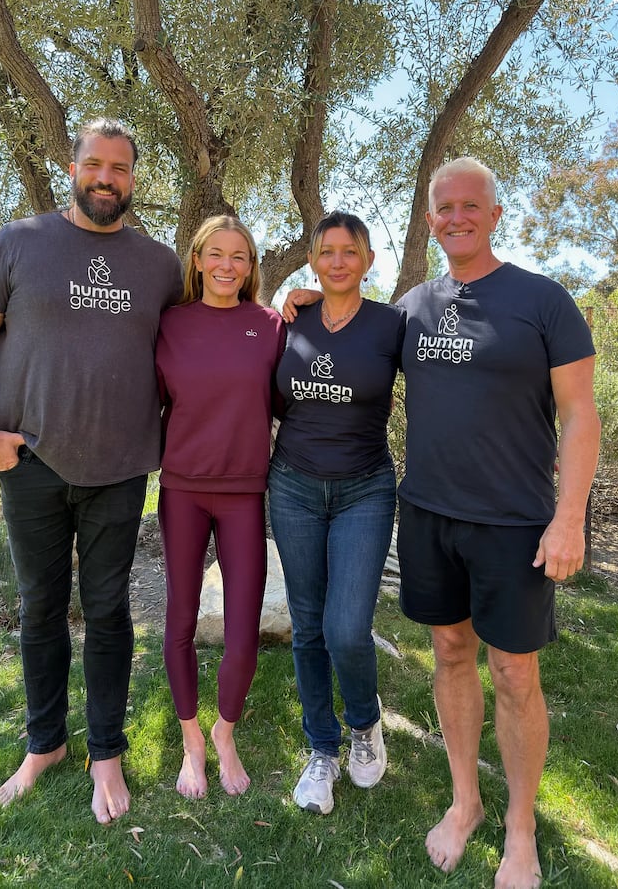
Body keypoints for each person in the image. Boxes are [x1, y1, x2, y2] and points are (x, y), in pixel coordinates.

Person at [0, 117, 182, 824]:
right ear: (73, 167)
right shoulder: (19, 243)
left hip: (121, 469)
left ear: (134, 179)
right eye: (93, 164)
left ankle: (106, 751)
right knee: (41, 609)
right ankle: (45, 743)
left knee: (110, 613)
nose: (105, 178)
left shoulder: (162, 265)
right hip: (32, 464)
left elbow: (203, 336)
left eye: (119, 167)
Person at [395, 158, 600, 889]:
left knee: (514, 673)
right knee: (450, 652)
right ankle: (465, 801)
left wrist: (569, 516)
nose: (457, 217)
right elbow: (346, 342)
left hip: (514, 524)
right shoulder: (415, 305)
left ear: (495, 213)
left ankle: (520, 829)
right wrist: (294, 303)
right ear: (429, 221)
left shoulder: (543, 302)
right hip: (426, 515)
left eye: (470, 205)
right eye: (443, 208)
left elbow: (580, 415)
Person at [269, 211, 405, 816]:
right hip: (293, 486)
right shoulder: (291, 319)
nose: (337, 262)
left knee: (346, 627)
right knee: (307, 623)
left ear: (368, 259)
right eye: (326, 252)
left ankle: (364, 725)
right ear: (313, 260)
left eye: (349, 252)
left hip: (364, 490)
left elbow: (449, 383)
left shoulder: (392, 325)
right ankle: (321, 748)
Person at [154, 216, 285, 800]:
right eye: (216, 254)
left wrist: (305, 299)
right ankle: (191, 742)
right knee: (180, 616)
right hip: (182, 489)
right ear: (198, 260)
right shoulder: (169, 325)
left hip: (244, 494)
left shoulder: (271, 325)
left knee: (243, 627)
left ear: (251, 266)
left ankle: (224, 730)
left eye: (240, 256)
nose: (228, 265)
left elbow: (298, 388)